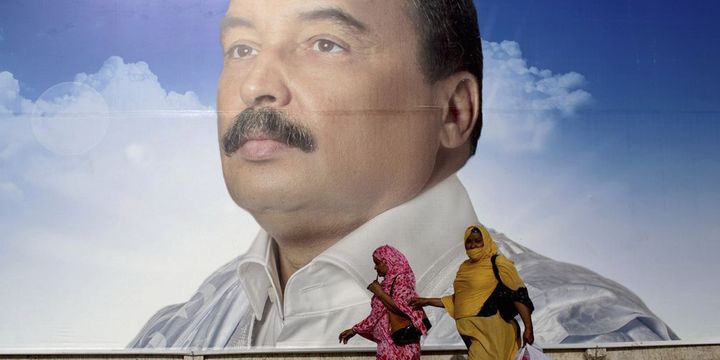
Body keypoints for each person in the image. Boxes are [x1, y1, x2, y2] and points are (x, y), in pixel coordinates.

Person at [129, 0, 677, 349]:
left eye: (325, 43)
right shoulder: (179, 329)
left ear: (454, 111)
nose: (256, 87)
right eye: (242, 48)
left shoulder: (581, 335)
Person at [412, 225, 534, 360]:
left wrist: (528, 328)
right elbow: (458, 300)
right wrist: (427, 301)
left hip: (492, 332)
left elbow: (518, 294)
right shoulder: (464, 268)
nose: (472, 245)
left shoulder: (498, 262)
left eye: (477, 241)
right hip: (471, 333)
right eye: (469, 241)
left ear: (485, 241)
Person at [338, 245, 427, 359]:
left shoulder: (403, 279)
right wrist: (355, 329)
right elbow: (377, 314)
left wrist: (379, 293)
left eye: (378, 263)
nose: (375, 268)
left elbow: (401, 308)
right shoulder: (387, 283)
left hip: (401, 346)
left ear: (389, 261)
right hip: (387, 345)